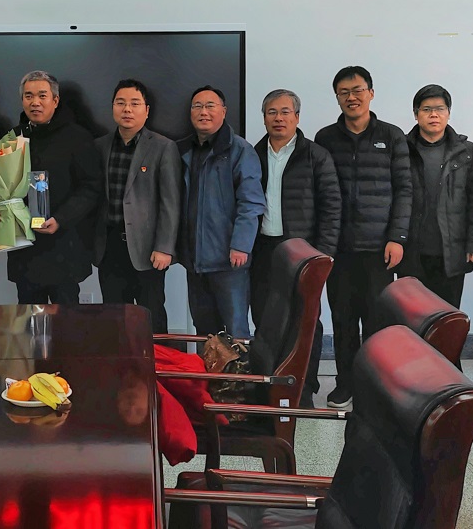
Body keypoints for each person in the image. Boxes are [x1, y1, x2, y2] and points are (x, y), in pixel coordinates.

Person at [314, 66, 411, 408]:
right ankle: (346, 383)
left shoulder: (392, 136)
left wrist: (397, 237)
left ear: (371, 93)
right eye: (343, 92)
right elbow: (320, 193)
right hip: (338, 247)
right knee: (342, 320)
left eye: (357, 90)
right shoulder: (326, 138)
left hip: (378, 248)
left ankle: (374, 385)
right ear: (337, 97)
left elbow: (404, 189)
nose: (351, 97)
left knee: (377, 321)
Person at [251, 89, 341, 407]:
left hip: (303, 253)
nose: (279, 118)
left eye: (285, 112)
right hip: (263, 250)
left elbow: (332, 207)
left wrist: (323, 254)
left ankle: (304, 389)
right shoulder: (252, 154)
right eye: (272, 112)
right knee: (265, 318)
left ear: (297, 117)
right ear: (264, 118)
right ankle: (270, 387)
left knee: (305, 321)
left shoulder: (316, 156)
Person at [0, 70, 100, 304]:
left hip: (64, 247)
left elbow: (91, 187)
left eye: (42, 96)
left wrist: (62, 218)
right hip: (25, 250)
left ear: (55, 100)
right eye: (28, 96)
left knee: (66, 321)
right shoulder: (11, 139)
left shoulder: (77, 138)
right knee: (27, 319)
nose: (35, 102)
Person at [92, 79, 182, 335]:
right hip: (109, 247)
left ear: (147, 110)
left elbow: (170, 202)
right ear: (112, 107)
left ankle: (157, 361)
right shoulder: (100, 146)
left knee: (151, 316)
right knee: (113, 317)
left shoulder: (163, 147)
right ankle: (118, 361)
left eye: (134, 103)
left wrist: (164, 247)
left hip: (148, 249)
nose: (127, 109)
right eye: (121, 103)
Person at [177, 85, 265, 340]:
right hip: (194, 260)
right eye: (197, 106)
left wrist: (241, 245)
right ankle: (209, 370)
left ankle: (241, 370)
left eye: (210, 106)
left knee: (236, 330)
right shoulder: (183, 151)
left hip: (229, 260)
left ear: (224, 111)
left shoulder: (240, 150)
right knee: (204, 332)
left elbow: (251, 202)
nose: (203, 112)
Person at [398, 84, 473, 309]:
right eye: (426, 109)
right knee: (411, 317)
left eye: (440, 109)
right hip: (411, 251)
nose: (434, 115)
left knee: (447, 318)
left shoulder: (466, 151)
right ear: (416, 114)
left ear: (448, 113)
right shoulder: (401, 150)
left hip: (452, 252)